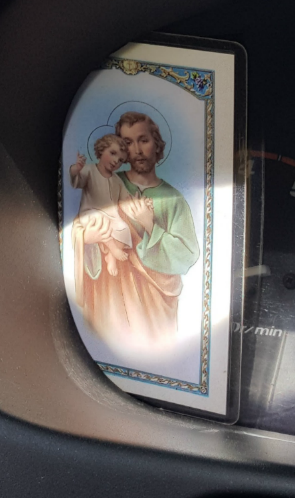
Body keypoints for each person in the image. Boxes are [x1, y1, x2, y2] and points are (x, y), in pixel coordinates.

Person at [73, 110, 200, 347]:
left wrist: (149, 224)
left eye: (143, 140)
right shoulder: (108, 182)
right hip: (109, 300)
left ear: (156, 143)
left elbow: (187, 255)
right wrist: (86, 238)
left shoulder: (174, 200)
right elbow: (79, 222)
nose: (138, 151)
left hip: (153, 310)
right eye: (128, 143)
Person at [69, 134, 133, 280]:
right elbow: (76, 181)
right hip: (90, 215)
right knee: (98, 220)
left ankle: (111, 257)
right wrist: (75, 169)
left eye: (121, 160)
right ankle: (113, 249)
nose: (116, 161)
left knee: (124, 228)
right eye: (112, 153)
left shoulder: (117, 180)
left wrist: (135, 201)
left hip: (111, 216)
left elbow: (126, 198)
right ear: (101, 150)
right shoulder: (90, 170)